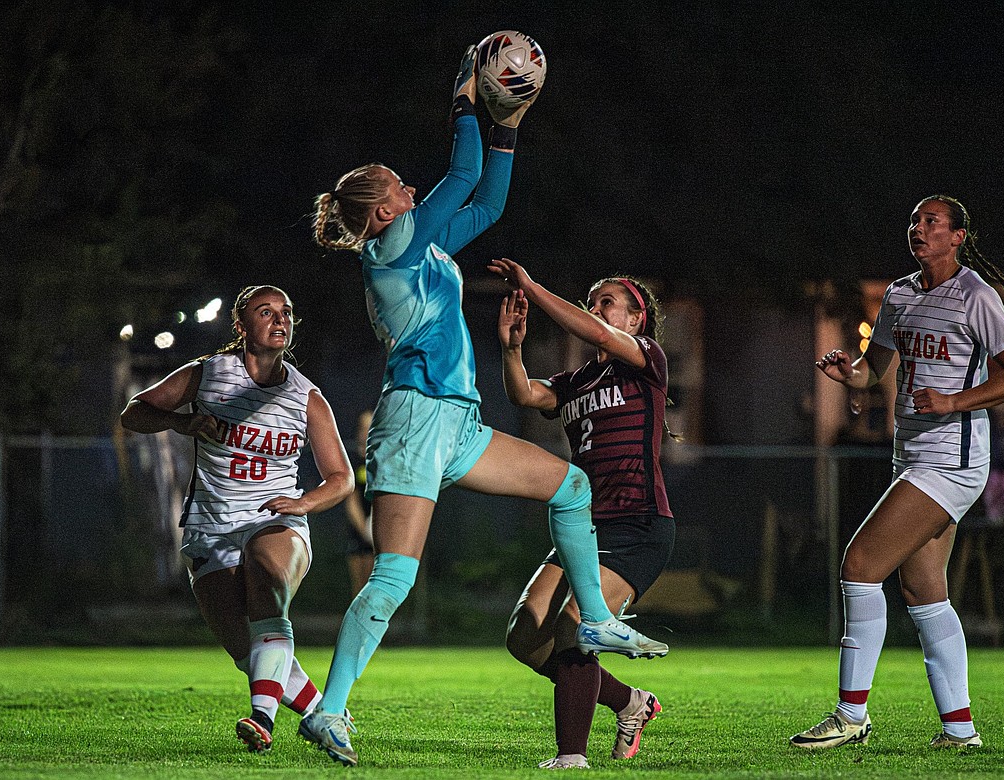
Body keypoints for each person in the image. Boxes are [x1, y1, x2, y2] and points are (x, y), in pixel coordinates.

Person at [298, 45, 666, 767]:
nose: (410, 188)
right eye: (399, 186)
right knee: (394, 577)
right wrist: (466, 99)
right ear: (379, 212)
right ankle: (330, 711)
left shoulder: (423, 246)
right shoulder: (395, 246)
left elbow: (490, 200)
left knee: (570, 485)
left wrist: (511, 124)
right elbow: (463, 175)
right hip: (412, 421)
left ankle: (594, 619)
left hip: (458, 422)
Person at [792, 195, 1004, 751]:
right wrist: (847, 374)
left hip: (952, 460)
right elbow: (874, 369)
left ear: (958, 236)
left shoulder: (976, 295)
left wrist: (955, 403)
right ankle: (959, 729)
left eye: (931, 221)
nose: (918, 228)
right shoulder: (900, 295)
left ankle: (850, 716)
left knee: (859, 564)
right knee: (924, 589)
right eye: (914, 220)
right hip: (913, 456)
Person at [119, 285, 355, 754]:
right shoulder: (207, 374)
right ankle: (325, 714)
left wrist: (304, 504)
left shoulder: (307, 396)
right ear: (240, 325)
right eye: (265, 312)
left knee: (267, 571)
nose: (279, 319)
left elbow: (341, 477)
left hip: (276, 521)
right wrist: (182, 422)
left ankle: (261, 720)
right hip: (211, 527)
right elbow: (134, 413)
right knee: (251, 653)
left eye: (286, 312)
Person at [492, 259, 675, 769]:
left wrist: (532, 284)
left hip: (639, 524)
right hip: (585, 527)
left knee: (577, 623)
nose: (595, 310)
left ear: (636, 320)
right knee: (524, 635)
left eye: (606, 302)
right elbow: (525, 394)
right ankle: (629, 702)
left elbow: (592, 331)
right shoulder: (578, 380)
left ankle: (570, 757)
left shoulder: (647, 359)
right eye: (592, 301)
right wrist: (511, 349)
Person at [345, 410, 376, 596]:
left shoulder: (382, 460)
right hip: (359, 531)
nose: (366, 432)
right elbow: (352, 500)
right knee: (359, 589)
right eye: (363, 428)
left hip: (379, 531)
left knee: (375, 588)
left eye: (370, 427)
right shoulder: (352, 461)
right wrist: (365, 531)